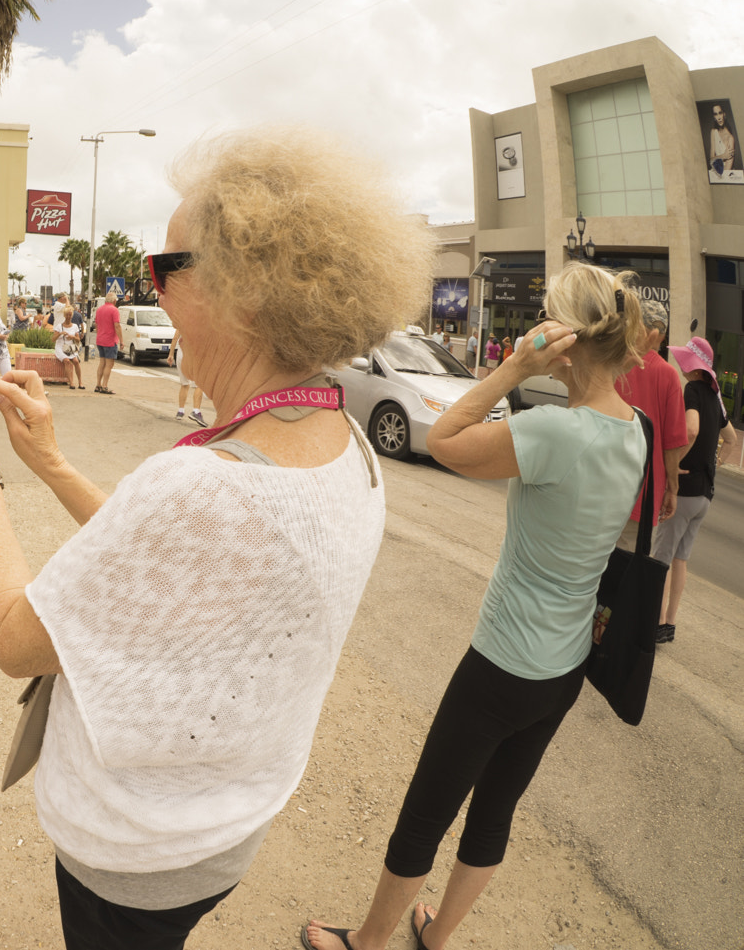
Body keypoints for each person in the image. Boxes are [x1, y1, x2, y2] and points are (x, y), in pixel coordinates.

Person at [0, 128, 434, 950]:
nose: (150, 289)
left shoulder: (204, 486)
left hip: (134, 854)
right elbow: (164, 564)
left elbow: (15, 638)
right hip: (224, 830)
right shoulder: (349, 448)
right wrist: (53, 464)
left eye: (165, 269)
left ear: (244, 295)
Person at [303, 262, 646, 950]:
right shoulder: (631, 429)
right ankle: (437, 935)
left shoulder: (557, 432)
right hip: (566, 664)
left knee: (428, 808)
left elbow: (447, 440)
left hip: (504, 660)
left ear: (566, 341)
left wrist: (512, 370)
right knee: (495, 810)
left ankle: (368, 941)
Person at [651, 337, 738, 642]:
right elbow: (732, 440)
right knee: (680, 559)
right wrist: (713, 463)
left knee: (661, 558)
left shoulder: (692, 391)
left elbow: (691, 428)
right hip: (705, 494)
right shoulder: (715, 398)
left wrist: (673, 464)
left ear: (693, 366)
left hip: (685, 490)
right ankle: (669, 623)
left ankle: (656, 623)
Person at [615, 298, 686, 547]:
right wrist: (672, 489)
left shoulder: (612, 365)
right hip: (643, 493)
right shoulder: (668, 375)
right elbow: (672, 443)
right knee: (628, 575)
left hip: (603, 482)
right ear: (662, 335)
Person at [167, 331, 205, 425]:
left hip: (180, 355)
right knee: (199, 384)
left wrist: (171, 354)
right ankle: (196, 411)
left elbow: (175, 338)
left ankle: (180, 411)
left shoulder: (184, 319)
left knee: (184, 384)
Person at [93, 292, 120, 394]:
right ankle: (105, 386)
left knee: (102, 363)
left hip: (100, 339)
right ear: (114, 300)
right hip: (110, 340)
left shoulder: (99, 310)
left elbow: (97, 324)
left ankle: (98, 384)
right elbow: (117, 325)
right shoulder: (114, 310)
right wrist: (121, 340)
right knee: (109, 364)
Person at [52, 305, 83, 389]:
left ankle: (80, 382)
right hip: (60, 347)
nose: (68, 317)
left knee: (76, 361)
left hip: (70, 348)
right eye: (67, 315)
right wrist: (60, 334)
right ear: (64, 315)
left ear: (72, 315)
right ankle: (71, 382)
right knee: (66, 361)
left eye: (70, 315)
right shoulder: (59, 326)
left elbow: (78, 339)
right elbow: (53, 339)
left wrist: (72, 337)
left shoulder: (75, 326)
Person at [709, 104, 737, 176]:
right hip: (714, 172)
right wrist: (723, 156)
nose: (719, 118)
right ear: (714, 117)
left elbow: (726, 172)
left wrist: (717, 158)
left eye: (720, 113)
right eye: (716, 114)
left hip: (724, 175)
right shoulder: (713, 132)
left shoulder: (730, 138)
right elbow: (711, 160)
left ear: (724, 114)